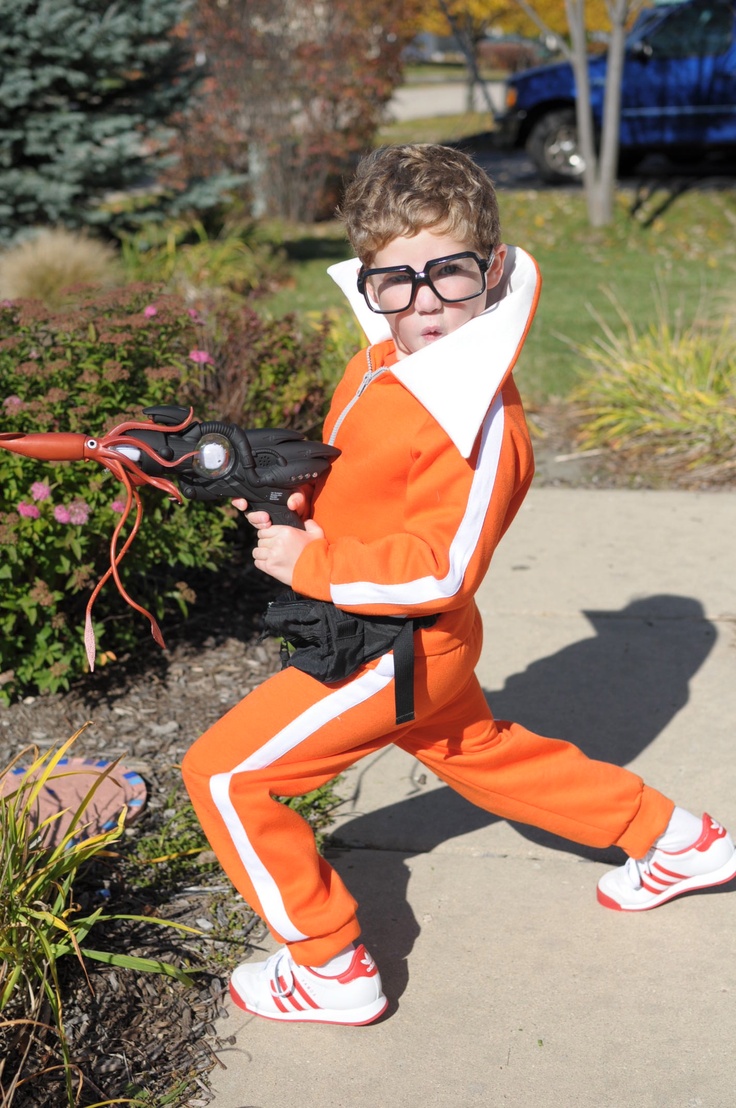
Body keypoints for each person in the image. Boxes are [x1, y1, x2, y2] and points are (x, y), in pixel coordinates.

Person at [181, 144, 736, 1026]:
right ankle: (679, 842)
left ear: (494, 267)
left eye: (448, 273)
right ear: (368, 283)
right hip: (404, 639)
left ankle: (328, 967)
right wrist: (300, 503)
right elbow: (368, 474)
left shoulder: (480, 417)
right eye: (394, 281)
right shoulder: (381, 362)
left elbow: (445, 562)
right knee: (481, 753)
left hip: (394, 644)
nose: (425, 303)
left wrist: (313, 565)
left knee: (225, 777)